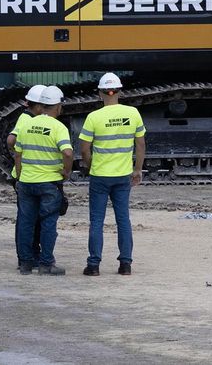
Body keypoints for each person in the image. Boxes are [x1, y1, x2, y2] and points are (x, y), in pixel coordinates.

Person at [77, 72, 145, 276]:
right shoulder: (133, 113)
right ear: (119, 91)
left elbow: (84, 149)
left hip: (100, 176)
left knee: (96, 221)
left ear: (100, 93)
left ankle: (94, 265)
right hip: (123, 175)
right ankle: (125, 264)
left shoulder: (93, 117)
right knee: (123, 219)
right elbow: (140, 144)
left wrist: (90, 166)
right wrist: (137, 169)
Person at [13, 84, 73, 275]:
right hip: (49, 184)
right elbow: (68, 152)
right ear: (58, 106)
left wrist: (21, 175)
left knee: (25, 222)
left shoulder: (27, 124)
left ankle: (25, 264)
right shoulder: (58, 127)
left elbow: (17, 154)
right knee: (48, 223)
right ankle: (46, 264)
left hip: (27, 182)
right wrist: (66, 171)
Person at [9, 85, 46, 270]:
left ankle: (27, 258)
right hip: (28, 177)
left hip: (27, 176)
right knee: (30, 220)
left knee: (28, 219)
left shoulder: (29, 118)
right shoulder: (26, 119)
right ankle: (28, 256)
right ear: (38, 106)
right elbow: (11, 141)